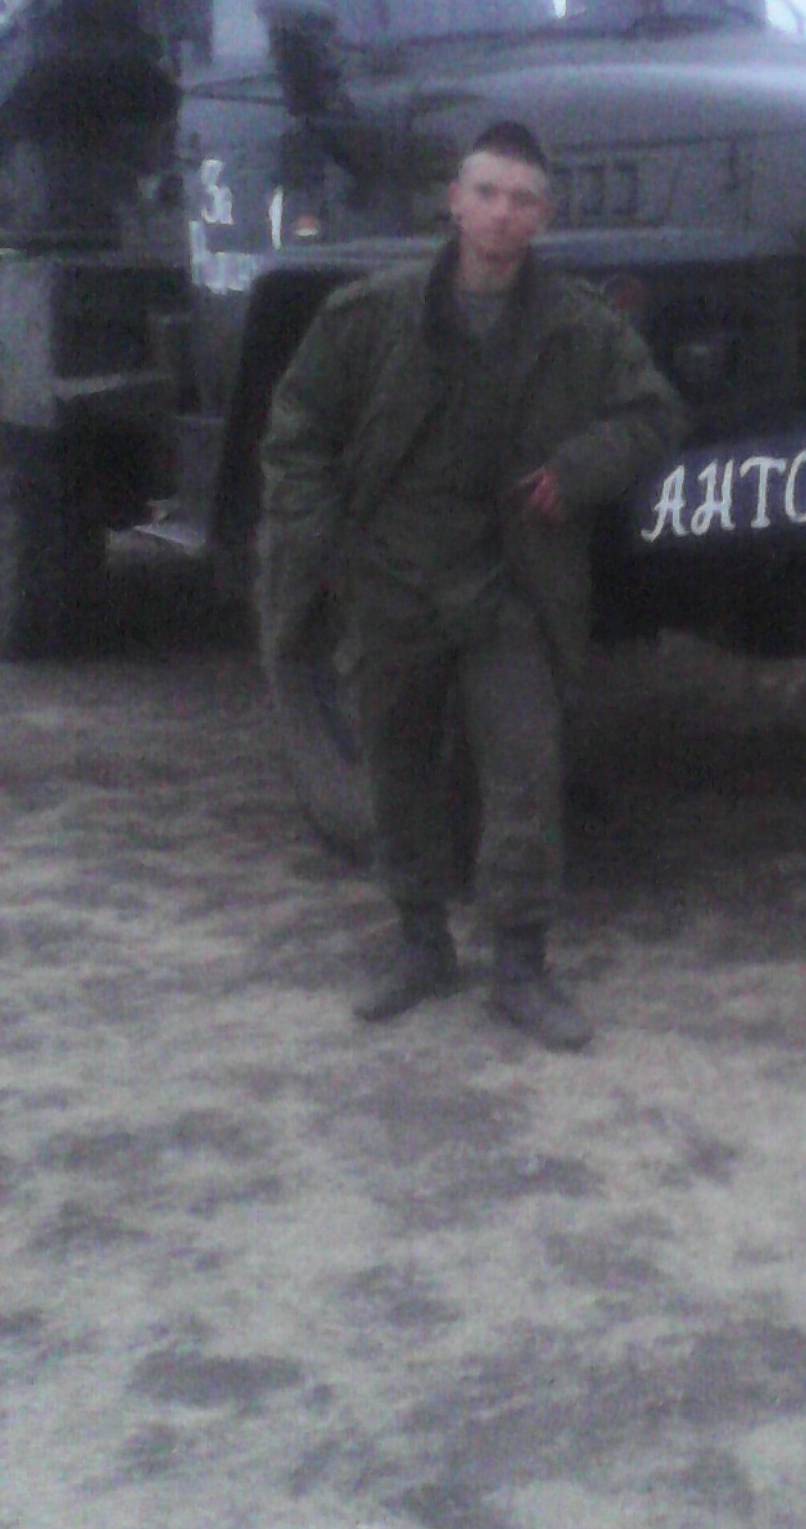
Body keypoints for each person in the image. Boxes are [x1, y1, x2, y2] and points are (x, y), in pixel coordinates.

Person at [257, 122, 684, 1050]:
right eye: (486, 193)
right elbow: (295, 429)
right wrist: (327, 549)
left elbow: (653, 413)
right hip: (390, 582)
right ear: (454, 201)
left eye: (522, 199)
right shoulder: (368, 316)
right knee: (398, 771)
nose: (502, 214)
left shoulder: (575, 326)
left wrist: (577, 469)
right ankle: (420, 945)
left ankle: (520, 968)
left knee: (525, 776)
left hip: (507, 590)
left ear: (544, 216)